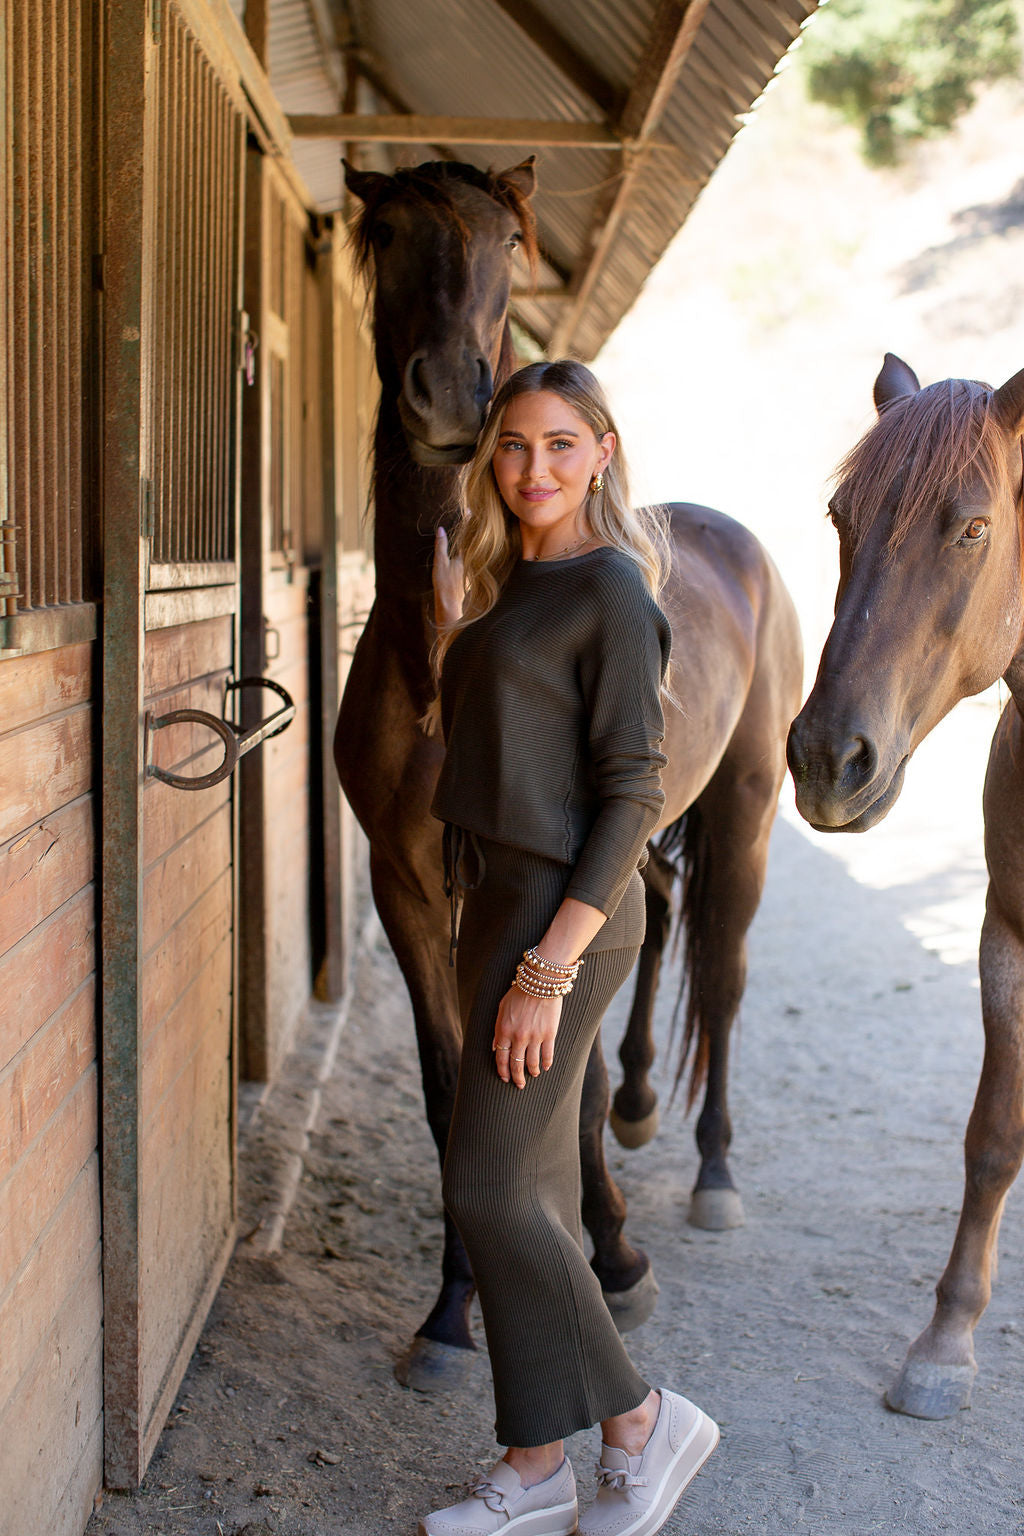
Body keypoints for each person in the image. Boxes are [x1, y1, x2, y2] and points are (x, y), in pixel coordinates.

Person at [421, 360, 718, 1536]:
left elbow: (632, 791)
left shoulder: (611, 594)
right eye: (509, 447)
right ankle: (536, 1457)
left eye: (557, 444)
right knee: (533, 1186)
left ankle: (641, 1419)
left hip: (566, 918)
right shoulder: (506, 589)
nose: (530, 469)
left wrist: (547, 966)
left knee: (484, 1185)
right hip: (494, 903)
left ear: (600, 450)